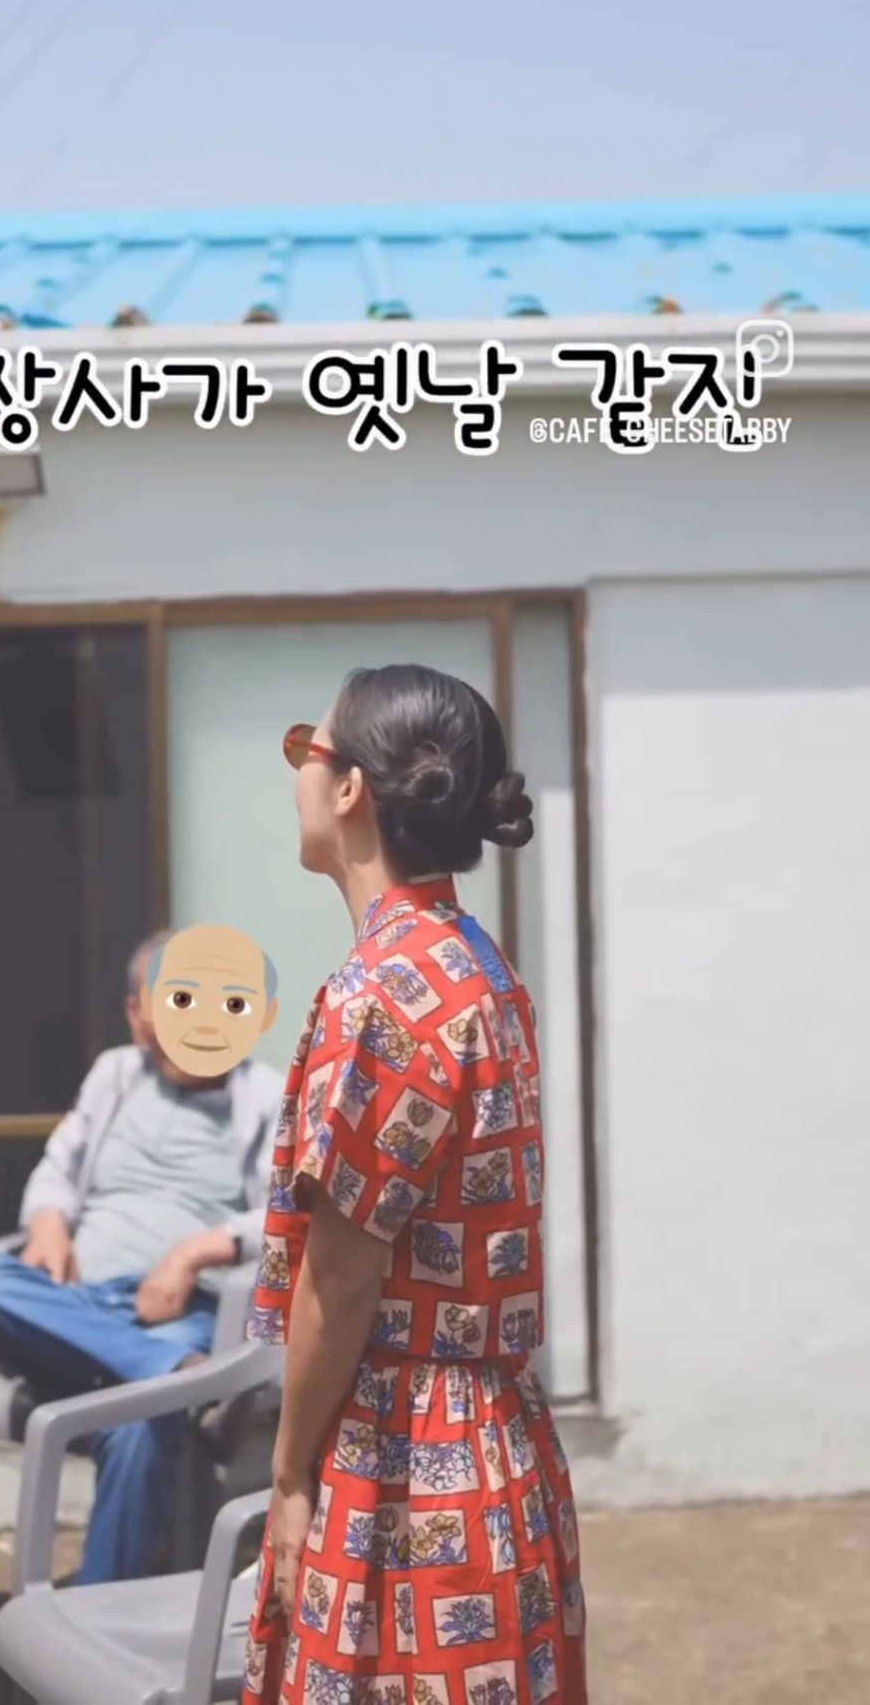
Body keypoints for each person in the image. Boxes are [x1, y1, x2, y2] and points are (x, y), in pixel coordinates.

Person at [244, 666, 588, 1705]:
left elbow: (342, 1282)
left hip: (400, 1464)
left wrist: (290, 1472)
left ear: (350, 787)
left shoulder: (381, 994)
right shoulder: (476, 962)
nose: (297, 771)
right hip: (497, 1449)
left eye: (306, 747)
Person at [0, 928, 283, 1585]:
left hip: (184, 1314)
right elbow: (57, 1169)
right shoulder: (114, 1075)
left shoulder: (269, 1096)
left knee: (141, 1422)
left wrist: (195, 1251)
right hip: (78, 1305)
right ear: (138, 1014)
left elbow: (289, 1212)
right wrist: (48, 1221)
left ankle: (93, 1609)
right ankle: (174, 1378)